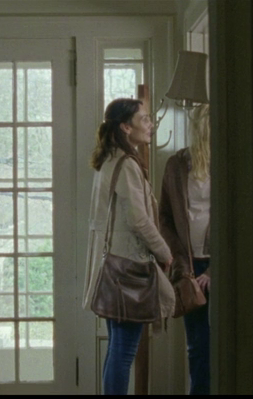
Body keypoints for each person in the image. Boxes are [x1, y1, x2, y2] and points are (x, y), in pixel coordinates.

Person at [82, 98, 175, 395]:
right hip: (127, 269)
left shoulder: (111, 159)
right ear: (125, 127)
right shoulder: (125, 164)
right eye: (144, 119)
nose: (150, 124)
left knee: (117, 349)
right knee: (123, 352)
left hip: (114, 267)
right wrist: (164, 252)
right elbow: (139, 220)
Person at [159, 103, 211, 395]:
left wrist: (215, 270)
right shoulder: (176, 165)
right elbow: (164, 217)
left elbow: (236, 218)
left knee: (225, 340)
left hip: (218, 264)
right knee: (197, 344)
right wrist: (181, 261)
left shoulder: (227, 163)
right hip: (189, 267)